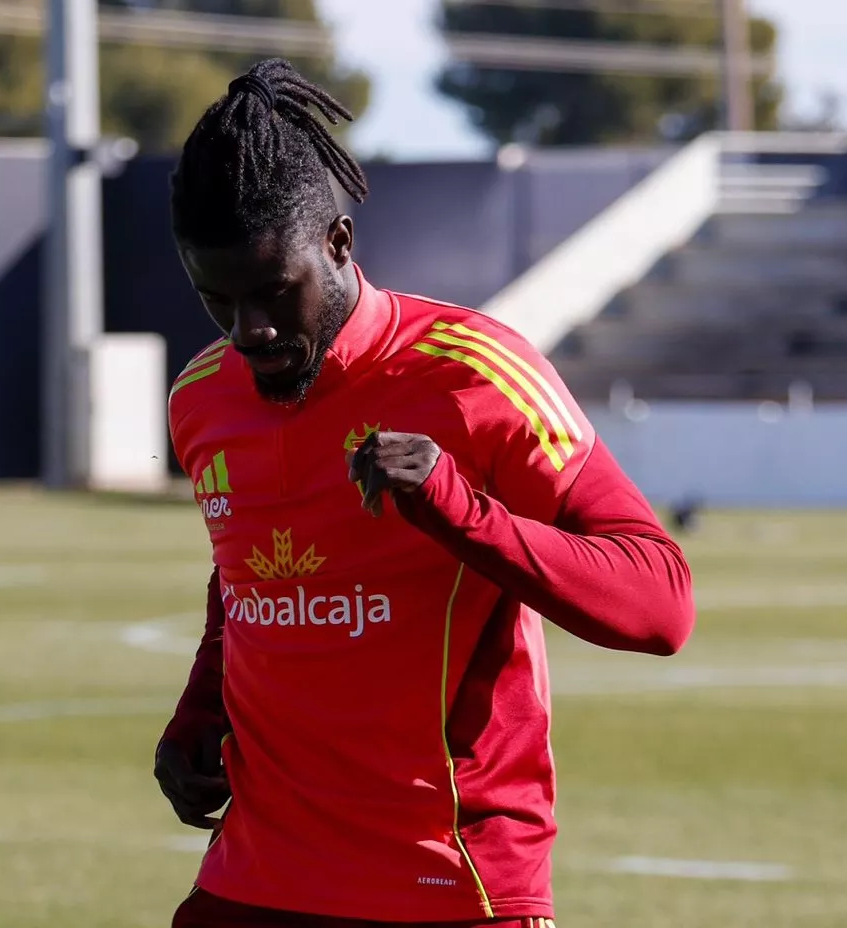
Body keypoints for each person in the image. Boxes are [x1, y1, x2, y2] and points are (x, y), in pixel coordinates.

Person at [157, 57, 696, 928]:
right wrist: (199, 708)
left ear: (338, 242)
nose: (248, 330)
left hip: (449, 889)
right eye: (216, 299)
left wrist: (454, 504)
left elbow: (660, 602)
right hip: (256, 880)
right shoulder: (201, 397)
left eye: (271, 294)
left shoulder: (473, 373)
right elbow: (249, 575)